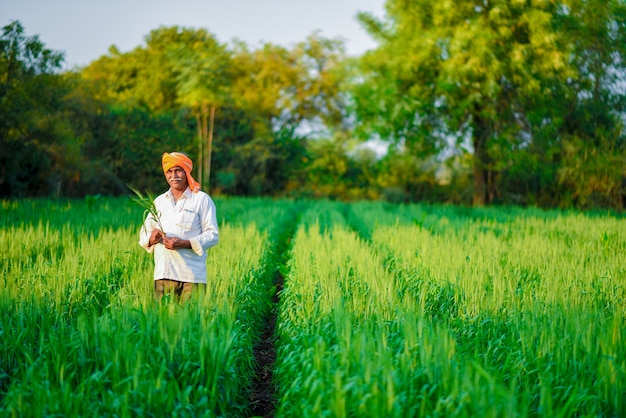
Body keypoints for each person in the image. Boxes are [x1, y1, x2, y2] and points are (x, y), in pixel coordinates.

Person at [139, 152, 219, 303]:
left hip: (192, 277)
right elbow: (144, 234)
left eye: (178, 170)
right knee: (163, 324)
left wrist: (185, 243)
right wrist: (151, 238)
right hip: (164, 274)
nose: (173, 175)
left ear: (187, 172)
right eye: (169, 171)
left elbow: (213, 235)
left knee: (192, 324)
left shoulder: (201, 200)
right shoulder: (159, 202)